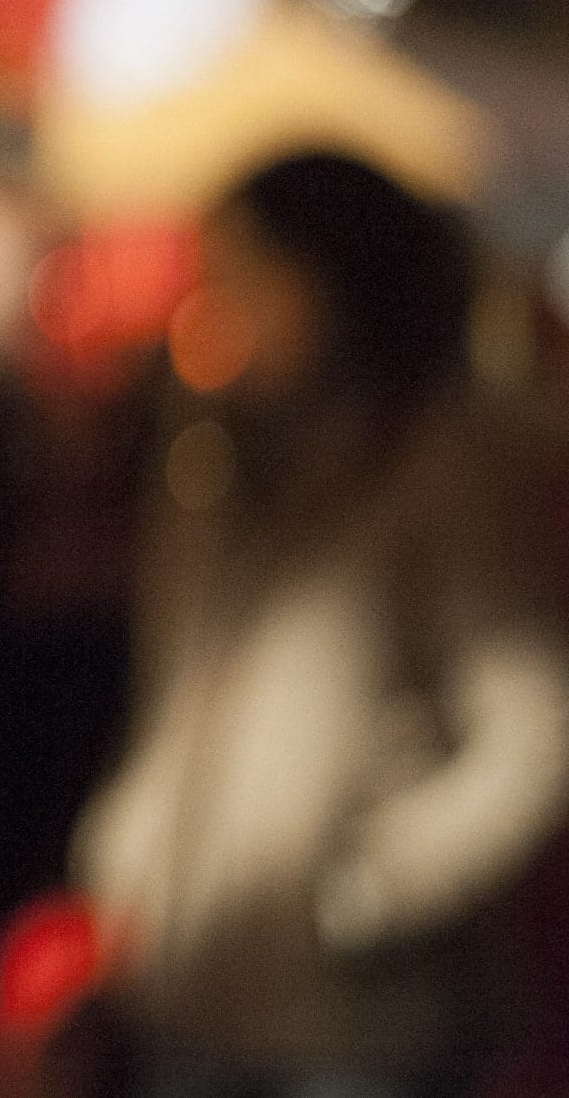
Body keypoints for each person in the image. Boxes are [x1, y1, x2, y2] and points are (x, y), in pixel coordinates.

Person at [74, 152, 569, 1098]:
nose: (222, 302)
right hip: (184, 984)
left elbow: (533, 736)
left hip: (354, 1031)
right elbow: (178, 690)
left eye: (251, 273)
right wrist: (127, 842)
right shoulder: (210, 453)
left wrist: (372, 892)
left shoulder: (443, 467)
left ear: (336, 280)